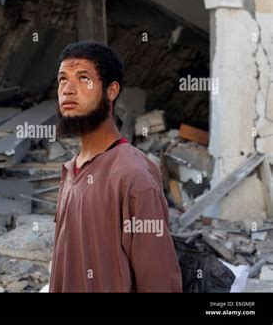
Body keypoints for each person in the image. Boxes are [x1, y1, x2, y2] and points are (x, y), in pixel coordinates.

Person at [50, 40, 182, 292]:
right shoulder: (71, 170)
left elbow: (159, 279)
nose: (67, 89)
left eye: (83, 78)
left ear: (111, 91)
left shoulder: (132, 175)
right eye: (62, 79)